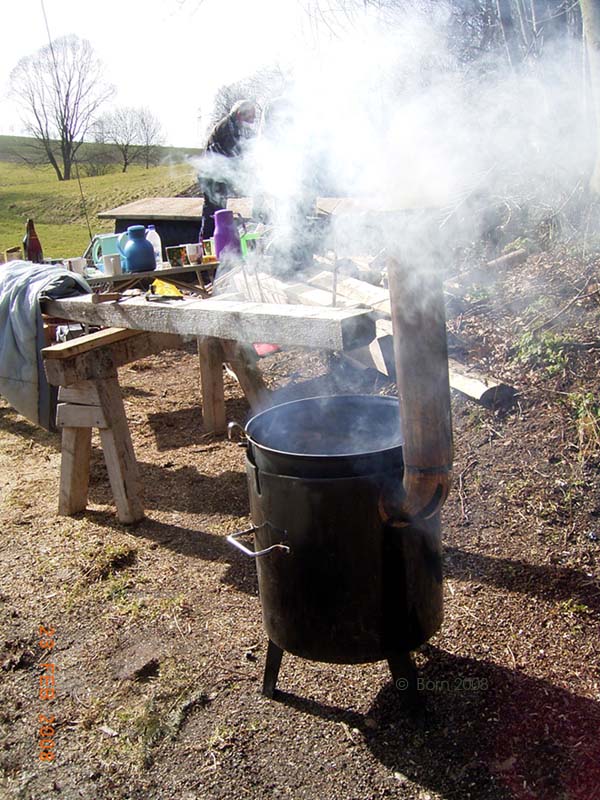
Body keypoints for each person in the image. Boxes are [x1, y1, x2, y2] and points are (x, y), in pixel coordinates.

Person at [199, 100, 257, 239]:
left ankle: (215, 242)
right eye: (250, 117)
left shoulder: (235, 126)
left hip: (219, 175)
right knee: (214, 212)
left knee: (219, 210)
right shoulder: (227, 129)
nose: (253, 120)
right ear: (239, 115)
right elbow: (236, 157)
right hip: (211, 176)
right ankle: (207, 242)